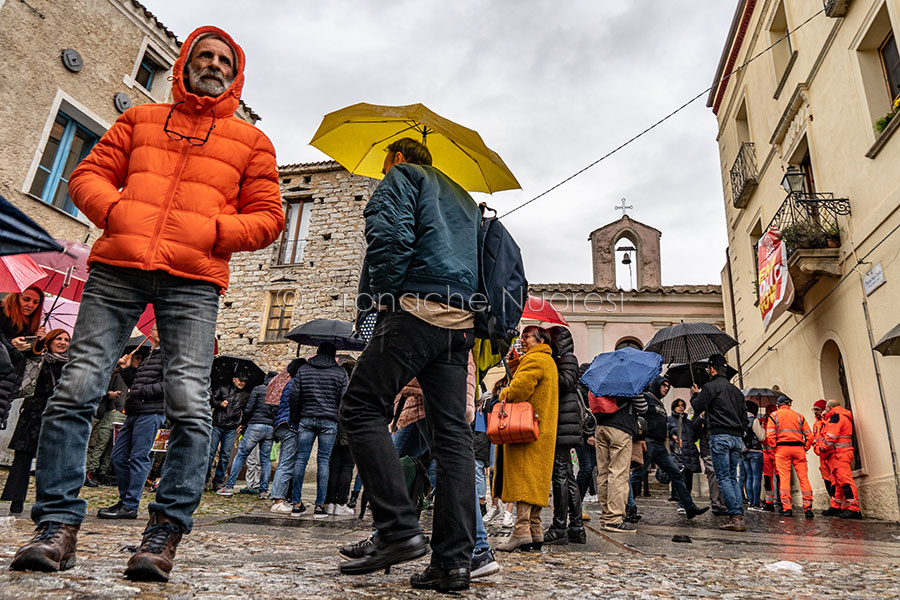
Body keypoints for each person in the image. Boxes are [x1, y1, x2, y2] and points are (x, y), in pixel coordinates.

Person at [10, 26, 284, 581]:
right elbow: (87, 174)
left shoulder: (252, 143)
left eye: (223, 61)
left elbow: (269, 216)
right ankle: (58, 526)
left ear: (235, 74)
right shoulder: (138, 121)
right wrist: (117, 215)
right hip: (118, 269)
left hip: (194, 279)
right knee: (77, 388)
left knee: (188, 403)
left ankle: (164, 534)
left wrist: (210, 231)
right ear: (184, 64)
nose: (212, 65)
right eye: (202, 55)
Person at [338, 137, 480, 592]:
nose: (382, 169)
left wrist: (386, 296)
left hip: (415, 308)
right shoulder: (463, 198)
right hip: (461, 322)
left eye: (383, 161)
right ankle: (454, 563)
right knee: (452, 436)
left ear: (397, 157)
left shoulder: (402, 177)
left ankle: (398, 529)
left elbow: (388, 234)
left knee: (360, 407)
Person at [493, 326, 558, 551]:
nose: (522, 340)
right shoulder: (547, 361)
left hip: (525, 433)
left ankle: (520, 531)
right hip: (542, 431)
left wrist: (502, 394)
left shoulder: (535, 360)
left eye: (527, 336)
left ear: (540, 340)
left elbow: (518, 390)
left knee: (523, 479)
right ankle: (534, 530)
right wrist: (514, 363)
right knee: (535, 481)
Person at [98, 324, 165, 521]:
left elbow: (170, 384)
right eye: (155, 327)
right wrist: (126, 370)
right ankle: (125, 500)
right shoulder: (149, 356)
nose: (157, 330)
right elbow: (135, 383)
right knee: (118, 456)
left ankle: (130, 505)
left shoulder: (169, 356)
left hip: (151, 412)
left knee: (138, 457)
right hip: (134, 411)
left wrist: (142, 392)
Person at [2, 329, 69, 514]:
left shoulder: (70, 365)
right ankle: (16, 500)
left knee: (50, 461)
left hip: (56, 414)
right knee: (22, 458)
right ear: (50, 340)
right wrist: (38, 341)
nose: (63, 342)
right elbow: (28, 356)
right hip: (33, 412)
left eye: (66, 339)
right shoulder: (38, 358)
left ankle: (45, 500)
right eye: (59, 338)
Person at [289, 342, 348, 518]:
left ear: (317, 352)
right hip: (329, 421)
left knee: (301, 459)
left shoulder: (304, 370)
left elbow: (295, 395)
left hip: (306, 418)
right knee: (324, 461)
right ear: (334, 354)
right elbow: (344, 399)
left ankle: (296, 504)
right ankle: (320, 506)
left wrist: (295, 417)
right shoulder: (340, 372)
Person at [691, 353, 747, 531]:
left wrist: (695, 395)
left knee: (723, 477)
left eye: (709, 368)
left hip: (719, 435)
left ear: (712, 369)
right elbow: (744, 417)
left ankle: (736, 517)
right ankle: (739, 514)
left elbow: (698, 406)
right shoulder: (736, 391)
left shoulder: (710, 387)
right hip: (736, 437)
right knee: (732, 477)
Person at [543, 326, 586, 545]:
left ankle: (559, 526)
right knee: (567, 476)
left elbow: (565, 382)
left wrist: (548, 367)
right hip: (564, 422)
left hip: (563, 423)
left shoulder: (568, 359)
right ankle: (576, 527)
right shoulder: (563, 359)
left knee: (559, 474)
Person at [643, 379, 707, 520]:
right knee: (638, 475)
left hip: (674, 449)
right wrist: (672, 438)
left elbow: (694, 432)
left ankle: (689, 507)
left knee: (680, 477)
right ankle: (629, 506)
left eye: (668, 386)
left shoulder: (684, 419)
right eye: (663, 385)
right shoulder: (651, 401)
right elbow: (661, 428)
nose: (666, 388)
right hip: (660, 446)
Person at [592, 380, 648, 533]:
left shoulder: (602, 378)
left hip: (601, 427)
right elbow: (643, 408)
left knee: (603, 473)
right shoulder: (630, 381)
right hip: (620, 428)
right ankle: (614, 518)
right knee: (618, 473)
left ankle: (605, 517)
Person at [217, 371, 277, 496]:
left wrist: (243, 424)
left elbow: (249, 408)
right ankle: (264, 491)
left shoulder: (258, 389)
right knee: (265, 459)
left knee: (241, 455)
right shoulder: (276, 392)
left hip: (256, 425)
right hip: (270, 427)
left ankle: (229, 487)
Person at [0, 286, 46, 430]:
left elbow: (28, 356)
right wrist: (12, 345)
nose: (30, 305)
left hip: (10, 381)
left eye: (35, 302)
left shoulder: (28, 324)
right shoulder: (1, 314)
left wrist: (39, 341)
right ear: (16, 298)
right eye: (26, 299)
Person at [765, 395, 814, 518]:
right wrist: (805, 448)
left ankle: (787, 509)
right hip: (798, 449)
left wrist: (775, 448)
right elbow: (810, 436)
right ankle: (808, 508)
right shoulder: (799, 416)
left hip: (782, 450)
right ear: (789, 404)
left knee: (784, 479)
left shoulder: (774, 416)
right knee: (804, 478)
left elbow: (770, 436)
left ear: (778, 405)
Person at [269, 359, 304, 515]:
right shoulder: (296, 384)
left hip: (282, 424)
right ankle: (278, 500)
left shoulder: (289, 383)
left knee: (286, 462)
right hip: (290, 425)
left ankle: (281, 497)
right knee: (286, 463)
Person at [85, 368, 129, 487]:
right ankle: (89, 472)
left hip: (102, 412)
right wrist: (112, 404)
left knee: (99, 445)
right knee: (96, 444)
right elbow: (96, 389)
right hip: (98, 412)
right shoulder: (111, 373)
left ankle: (94, 473)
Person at [820, 399, 861, 519]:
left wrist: (823, 447)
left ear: (828, 407)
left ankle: (854, 509)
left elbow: (831, 436)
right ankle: (836, 507)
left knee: (845, 481)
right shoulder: (840, 416)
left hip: (839, 454)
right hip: (838, 454)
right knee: (837, 482)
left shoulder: (835, 417)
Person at [206, 375, 250, 490]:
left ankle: (218, 482)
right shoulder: (222, 389)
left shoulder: (245, 395)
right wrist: (220, 403)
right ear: (234, 379)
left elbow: (246, 410)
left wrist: (243, 424)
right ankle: (204, 479)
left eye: (244, 381)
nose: (242, 383)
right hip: (217, 425)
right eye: (240, 380)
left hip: (231, 428)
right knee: (210, 453)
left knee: (225, 455)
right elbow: (210, 401)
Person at [667, 397, 702, 513]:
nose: (681, 407)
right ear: (673, 408)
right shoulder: (669, 420)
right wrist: (673, 442)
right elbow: (666, 437)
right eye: (678, 405)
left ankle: (687, 503)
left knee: (689, 481)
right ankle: (681, 503)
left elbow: (695, 436)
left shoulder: (689, 422)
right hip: (678, 454)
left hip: (690, 454)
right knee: (681, 480)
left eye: (683, 405)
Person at [811, 399, 836, 514]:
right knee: (827, 480)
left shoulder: (827, 421)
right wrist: (817, 449)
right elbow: (814, 439)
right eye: (814, 409)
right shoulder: (816, 424)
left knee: (835, 480)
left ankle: (837, 505)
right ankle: (833, 503)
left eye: (817, 409)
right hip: (822, 455)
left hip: (831, 455)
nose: (814, 412)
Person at [741, 401, 766, 511]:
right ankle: (756, 503)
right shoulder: (754, 421)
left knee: (749, 478)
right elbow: (761, 437)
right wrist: (762, 428)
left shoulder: (741, 421)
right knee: (756, 477)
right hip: (756, 452)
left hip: (745, 452)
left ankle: (751, 502)